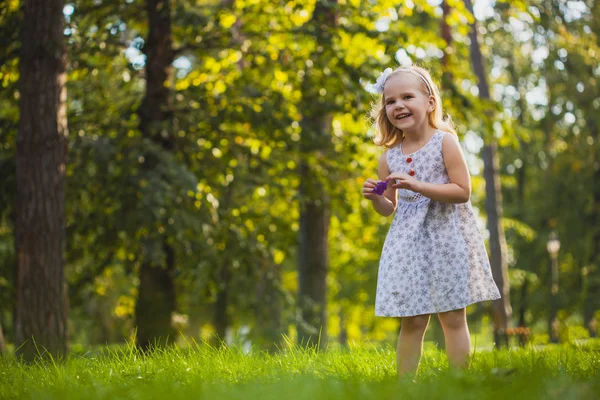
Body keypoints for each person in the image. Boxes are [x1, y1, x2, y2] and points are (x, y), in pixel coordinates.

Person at [361, 66, 501, 376]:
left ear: (429, 102)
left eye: (407, 97)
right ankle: (404, 388)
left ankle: (459, 381)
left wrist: (417, 185)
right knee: (412, 320)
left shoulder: (445, 142)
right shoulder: (389, 157)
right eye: (390, 101)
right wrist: (376, 198)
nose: (398, 105)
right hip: (409, 245)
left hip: (446, 238)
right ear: (385, 111)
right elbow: (390, 209)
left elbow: (462, 191)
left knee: (452, 317)